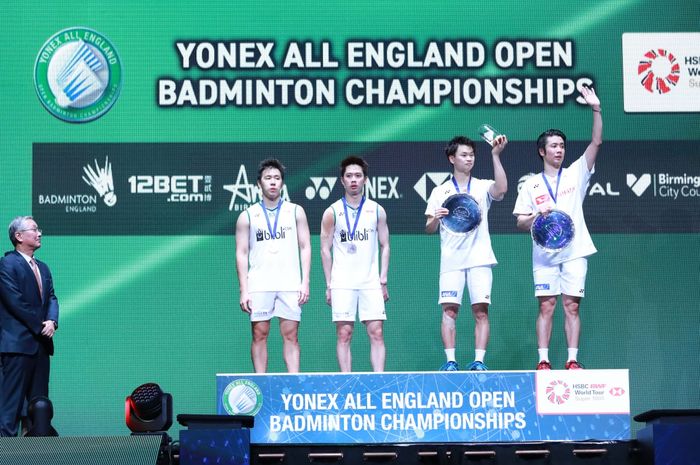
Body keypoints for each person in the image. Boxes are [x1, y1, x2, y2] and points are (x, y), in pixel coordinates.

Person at [513, 86, 602, 370]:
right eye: (553, 146)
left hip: (575, 250)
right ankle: (543, 360)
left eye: (562, 146)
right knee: (547, 306)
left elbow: (596, 143)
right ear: (542, 151)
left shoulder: (577, 172)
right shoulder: (531, 184)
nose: (559, 150)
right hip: (544, 255)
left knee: (572, 306)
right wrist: (536, 214)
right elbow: (520, 222)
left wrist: (596, 109)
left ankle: (572, 359)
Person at [425, 135, 508, 371]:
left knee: (481, 310)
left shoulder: (482, 186)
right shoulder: (440, 191)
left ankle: (479, 361)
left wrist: (495, 155)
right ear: (452, 158)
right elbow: (429, 228)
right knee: (449, 310)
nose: (469, 158)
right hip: (451, 260)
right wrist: (436, 218)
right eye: (464, 154)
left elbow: (501, 189)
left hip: (480, 258)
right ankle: (451, 361)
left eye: (472, 154)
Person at [236, 159, 311, 373]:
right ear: (259, 183)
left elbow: (305, 247)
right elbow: (241, 254)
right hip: (259, 284)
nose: (273, 182)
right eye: (268, 178)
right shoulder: (247, 216)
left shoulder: (296, 211)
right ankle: (260, 382)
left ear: (282, 184)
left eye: (277, 178)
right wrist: (244, 290)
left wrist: (304, 282)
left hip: (289, 283)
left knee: (291, 335)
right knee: (259, 334)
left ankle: (294, 382)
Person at [320, 156, 390, 372]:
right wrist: (329, 284)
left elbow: (385, 245)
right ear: (342, 180)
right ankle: (346, 381)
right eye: (349, 176)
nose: (353, 180)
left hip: (370, 281)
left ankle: (379, 380)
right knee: (344, 333)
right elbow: (325, 249)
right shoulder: (332, 212)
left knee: (377, 332)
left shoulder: (377, 210)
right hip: (342, 281)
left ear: (365, 180)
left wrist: (383, 279)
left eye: (358, 176)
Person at [0, 216, 59, 436]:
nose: (39, 233)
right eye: (34, 229)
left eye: (38, 229)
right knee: (11, 406)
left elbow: (51, 297)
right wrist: (40, 325)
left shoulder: (42, 267)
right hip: (17, 346)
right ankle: (5, 451)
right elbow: (15, 302)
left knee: (39, 406)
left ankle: (36, 452)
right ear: (19, 236)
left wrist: (52, 321)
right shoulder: (7, 264)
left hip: (41, 345)